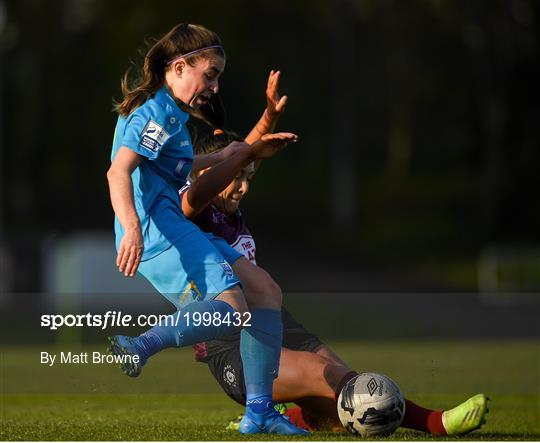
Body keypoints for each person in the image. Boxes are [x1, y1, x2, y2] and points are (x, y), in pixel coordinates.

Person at [182, 128, 490, 436]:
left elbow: (244, 157)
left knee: (345, 397)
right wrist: (234, 155)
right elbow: (207, 185)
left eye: (249, 177)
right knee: (330, 378)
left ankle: (293, 417)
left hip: (277, 322)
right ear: (210, 174)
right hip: (234, 344)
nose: (245, 187)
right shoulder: (193, 211)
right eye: (237, 177)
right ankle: (438, 423)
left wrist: (268, 120)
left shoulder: (228, 209)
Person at [106, 23, 308, 436]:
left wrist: (235, 152)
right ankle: (139, 346)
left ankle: (260, 413)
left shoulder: (171, 115)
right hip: (157, 231)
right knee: (233, 307)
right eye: (210, 74)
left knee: (265, 291)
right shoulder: (156, 114)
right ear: (180, 67)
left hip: (172, 225)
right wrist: (131, 229)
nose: (214, 87)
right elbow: (118, 172)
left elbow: (170, 167)